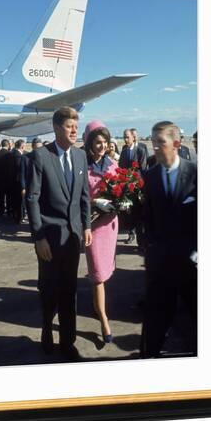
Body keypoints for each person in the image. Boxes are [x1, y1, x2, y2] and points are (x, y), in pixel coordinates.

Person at [26, 106, 92, 360]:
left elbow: (85, 195)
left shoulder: (80, 156)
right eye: (69, 126)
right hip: (49, 240)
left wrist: (85, 225)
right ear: (56, 128)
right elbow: (32, 199)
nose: (75, 130)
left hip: (73, 237)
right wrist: (38, 236)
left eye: (76, 125)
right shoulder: (41, 156)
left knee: (69, 290)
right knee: (49, 289)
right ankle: (46, 331)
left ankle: (68, 341)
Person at [140, 121, 197, 358]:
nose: (154, 147)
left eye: (160, 142)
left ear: (176, 143)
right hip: (160, 263)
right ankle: (148, 359)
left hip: (190, 264)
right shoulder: (150, 177)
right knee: (155, 319)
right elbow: (148, 217)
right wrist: (150, 249)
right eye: (153, 142)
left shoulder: (195, 174)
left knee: (198, 319)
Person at [83, 121, 119, 343]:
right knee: (98, 273)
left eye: (105, 142)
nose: (102, 146)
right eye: (98, 142)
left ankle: (99, 305)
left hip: (111, 225)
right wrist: (96, 202)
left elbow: (122, 190)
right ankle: (104, 319)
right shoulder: (81, 166)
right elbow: (78, 196)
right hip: (93, 226)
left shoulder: (113, 165)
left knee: (106, 270)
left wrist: (122, 202)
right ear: (89, 143)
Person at [119, 128, 147, 246]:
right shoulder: (124, 151)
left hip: (138, 186)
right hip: (127, 186)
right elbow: (121, 166)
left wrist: (136, 180)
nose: (125, 139)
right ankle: (131, 233)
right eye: (124, 137)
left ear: (133, 137)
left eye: (127, 137)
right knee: (129, 212)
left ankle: (141, 241)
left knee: (139, 213)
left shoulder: (140, 150)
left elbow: (144, 168)